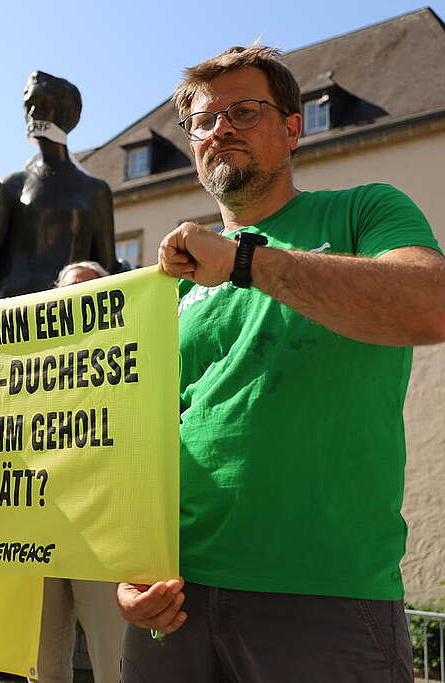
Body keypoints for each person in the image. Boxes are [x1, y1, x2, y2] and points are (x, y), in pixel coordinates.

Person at [116, 45, 445, 682]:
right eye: (205, 122)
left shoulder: (365, 210)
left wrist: (245, 262)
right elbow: (135, 441)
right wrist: (128, 568)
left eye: (243, 112)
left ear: (292, 128)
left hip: (324, 594)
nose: (220, 131)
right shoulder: (171, 287)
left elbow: (431, 305)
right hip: (175, 599)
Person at [0, 71, 121, 300]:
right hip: (12, 307)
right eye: (28, 105)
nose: (33, 112)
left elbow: (107, 267)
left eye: (42, 103)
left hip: (65, 311)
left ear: (65, 111)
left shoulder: (95, 190)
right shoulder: (14, 185)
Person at [28, 261, 124, 683]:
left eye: (90, 290)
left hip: (103, 530)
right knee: (40, 661)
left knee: (114, 657)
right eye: (67, 291)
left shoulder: (128, 359)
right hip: (39, 527)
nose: (77, 299)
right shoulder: (29, 366)